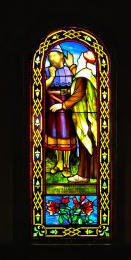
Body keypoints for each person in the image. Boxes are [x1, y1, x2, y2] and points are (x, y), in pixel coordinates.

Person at [64, 50, 99, 183]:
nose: (78, 62)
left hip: (84, 117)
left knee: (85, 145)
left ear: (83, 63)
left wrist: (63, 105)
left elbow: (78, 94)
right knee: (92, 145)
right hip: (91, 118)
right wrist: (72, 65)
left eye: (79, 61)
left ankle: (83, 176)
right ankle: (94, 173)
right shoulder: (90, 75)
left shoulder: (83, 77)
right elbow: (81, 81)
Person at [44, 44, 78, 176]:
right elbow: (40, 86)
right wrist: (51, 76)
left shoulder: (69, 70)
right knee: (56, 135)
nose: (52, 59)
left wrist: (72, 66)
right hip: (51, 107)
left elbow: (78, 84)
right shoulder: (47, 71)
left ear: (61, 56)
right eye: (50, 56)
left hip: (66, 106)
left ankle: (66, 165)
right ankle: (59, 163)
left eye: (54, 55)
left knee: (65, 135)